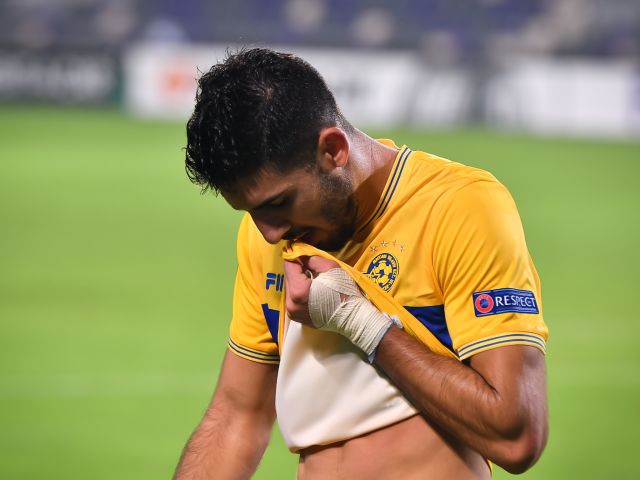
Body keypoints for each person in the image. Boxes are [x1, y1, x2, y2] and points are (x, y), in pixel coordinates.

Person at [174, 48, 549, 480]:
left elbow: (516, 436)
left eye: (279, 203)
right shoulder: (269, 237)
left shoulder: (459, 206)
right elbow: (237, 417)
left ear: (333, 149)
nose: (270, 233)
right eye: (251, 212)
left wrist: (361, 322)